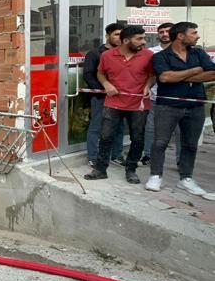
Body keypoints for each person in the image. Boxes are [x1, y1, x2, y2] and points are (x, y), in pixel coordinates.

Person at [146, 22, 215, 195]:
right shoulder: (161, 57)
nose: (197, 36)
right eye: (194, 33)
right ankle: (155, 176)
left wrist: (179, 76)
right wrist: (194, 71)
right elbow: (165, 77)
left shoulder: (199, 52)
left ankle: (186, 179)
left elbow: (213, 73)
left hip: (195, 106)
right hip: (167, 106)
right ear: (180, 36)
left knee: (190, 144)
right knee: (160, 142)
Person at [84, 25, 154, 184]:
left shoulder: (148, 55)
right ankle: (100, 170)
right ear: (126, 40)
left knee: (137, 138)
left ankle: (131, 170)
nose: (143, 42)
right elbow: (100, 74)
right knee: (105, 136)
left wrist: (149, 85)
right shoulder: (107, 55)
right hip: (113, 103)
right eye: (139, 38)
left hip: (139, 104)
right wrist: (106, 84)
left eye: (143, 38)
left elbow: (152, 75)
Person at [83, 23, 125, 168]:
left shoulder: (125, 54)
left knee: (119, 127)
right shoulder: (95, 53)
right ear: (108, 36)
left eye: (123, 35)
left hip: (122, 98)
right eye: (117, 34)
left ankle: (116, 155)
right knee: (97, 127)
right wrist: (103, 90)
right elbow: (88, 75)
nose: (120, 38)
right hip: (101, 98)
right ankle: (93, 157)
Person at [140, 23, 180, 167]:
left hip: (177, 99)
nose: (164, 34)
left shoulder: (184, 51)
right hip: (155, 97)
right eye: (161, 32)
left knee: (179, 131)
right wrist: (147, 87)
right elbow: (145, 73)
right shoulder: (151, 52)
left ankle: (180, 160)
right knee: (150, 128)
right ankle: (148, 155)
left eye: (167, 31)